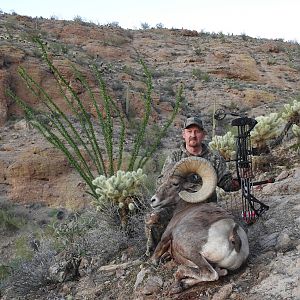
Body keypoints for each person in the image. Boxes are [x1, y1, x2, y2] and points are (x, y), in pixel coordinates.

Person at [145, 116, 240, 255]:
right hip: (177, 206)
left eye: (197, 131)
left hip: (205, 205)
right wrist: (176, 182)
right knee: (154, 218)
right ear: (184, 134)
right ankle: (153, 254)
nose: (193, 135)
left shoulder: (214, 158)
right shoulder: (175, 157)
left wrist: (240, 180)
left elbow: (227, 184)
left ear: (203, 134)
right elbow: (162, 182)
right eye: (189, 131)